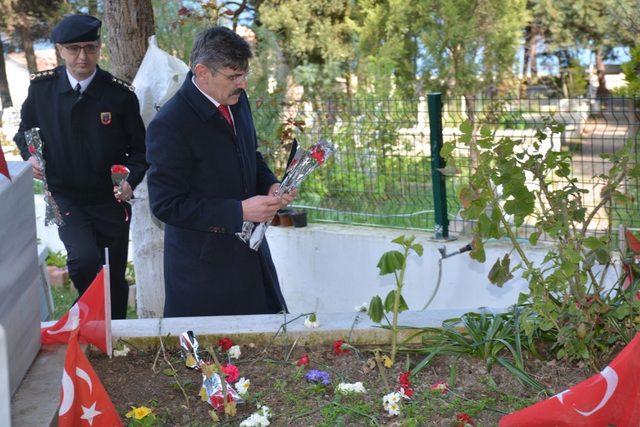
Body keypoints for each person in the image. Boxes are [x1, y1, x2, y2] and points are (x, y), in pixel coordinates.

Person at [146, 26, 295, 317]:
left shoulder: (236, 100)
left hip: (252, 262)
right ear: (202, 73)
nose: (243, 84)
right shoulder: (170, 124)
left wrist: (270, 185)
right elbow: (166, 205)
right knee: (216, 359)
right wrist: (238, 211)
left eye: (244, 74)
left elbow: (249, 155)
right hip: (203, 273)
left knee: (267, 351)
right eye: (233, 76)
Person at [13, 14, 147, 319]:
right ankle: (88, 320)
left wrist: (130, 180)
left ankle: (113, 336)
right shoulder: (42, 90)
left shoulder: (119, 95)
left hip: (110, 198)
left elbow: (140, 151)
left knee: (112, 272)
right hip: (65, 195)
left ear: (100, 48)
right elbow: (25, 132)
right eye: (74, 49)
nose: (82, 56)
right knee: (84, 259)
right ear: (60, 50)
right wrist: (30, 156)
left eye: (90, 47)